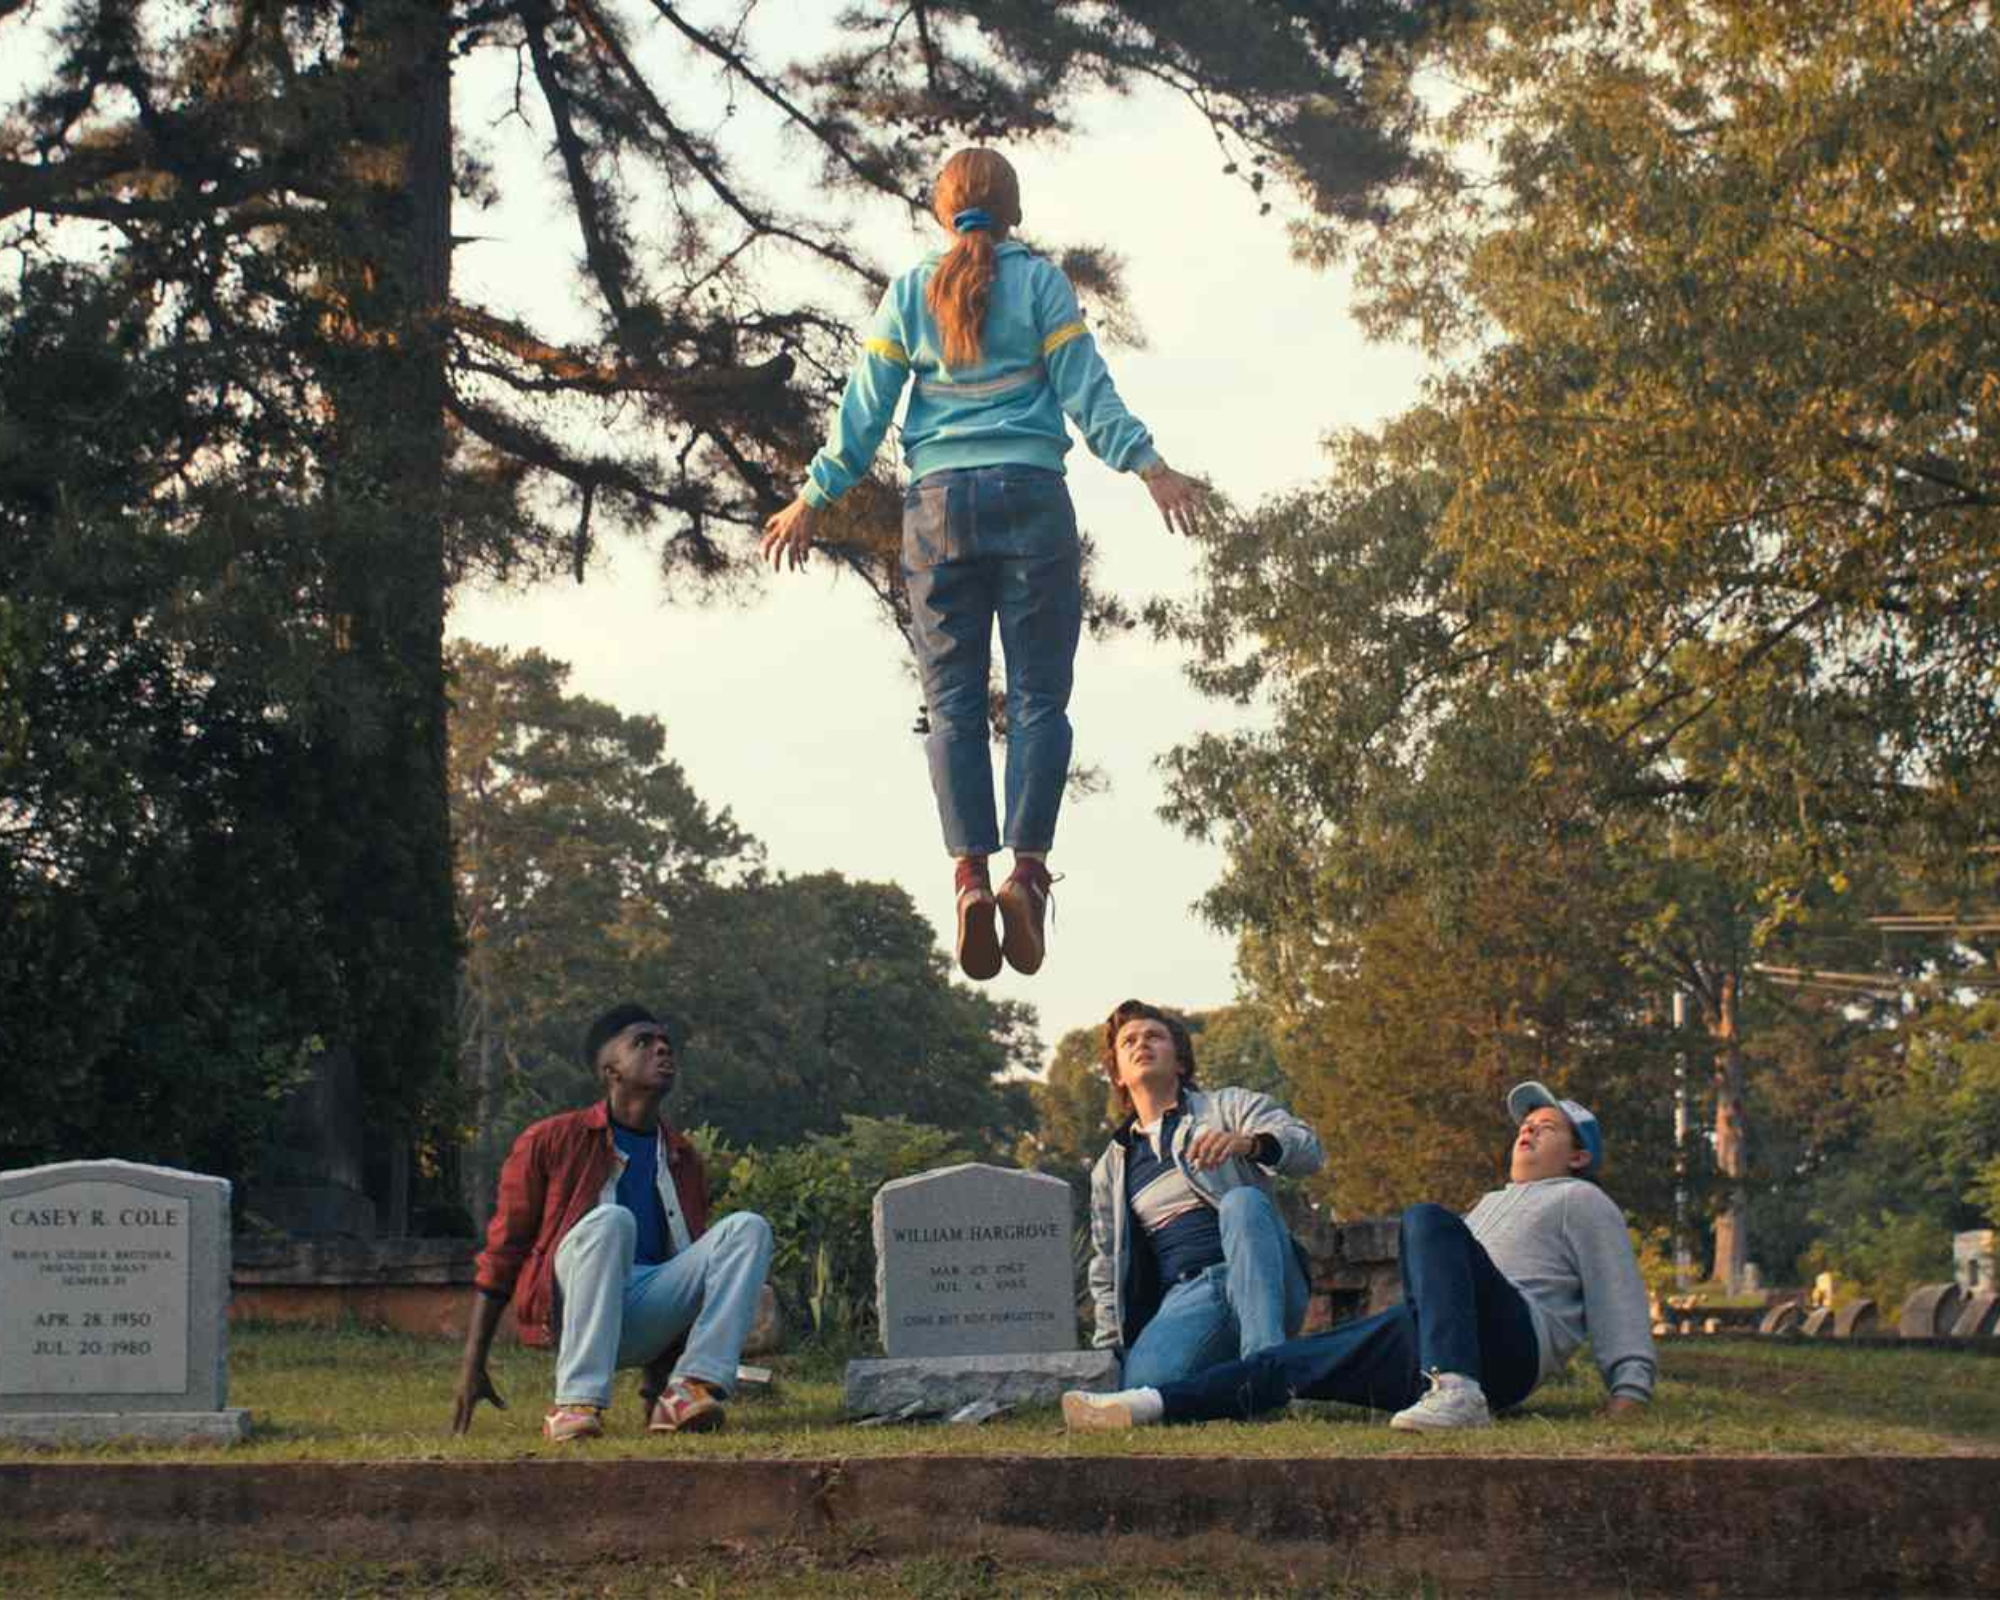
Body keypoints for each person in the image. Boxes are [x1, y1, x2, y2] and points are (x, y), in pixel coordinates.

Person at [760, 147, 1208, 982]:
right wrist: (1150, 467)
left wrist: (812, 498)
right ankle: (1026, 876)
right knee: (1039, 699)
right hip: (1031, 498)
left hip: (938, 512)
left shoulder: (910, 292)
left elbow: (864, 414)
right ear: (1015, 212)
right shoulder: (1040, 285)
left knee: (952, 706)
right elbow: (1087, 390)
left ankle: (969, 878)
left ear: (942, 212)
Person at [1064, 1081, 1657, 1433]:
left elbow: (1618, 1293)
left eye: (1546, 1126)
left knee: (1426, 1219)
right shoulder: (1489, 1204)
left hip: (1510, 1348)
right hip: (1432, 1342)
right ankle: (1145, 1405)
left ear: (1579, 1156)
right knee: (1284, 1364)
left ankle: (1457, 1390)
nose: (1527, 1130)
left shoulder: (1582, 1200)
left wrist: (1628, 1392)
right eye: (1525, 1123)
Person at [450, 1003, 774, 1443]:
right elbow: (504, 1252)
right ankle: (575, 1404)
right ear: (611, 1070)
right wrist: (473, 1364)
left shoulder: (682, 1157)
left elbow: (681, 1263)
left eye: (666, 1043)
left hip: (645, 1314)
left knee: (748, 1228)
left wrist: (654, 1388)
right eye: (643, 1042)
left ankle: (688, 1390)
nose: (662, 1049)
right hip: (574, 1309)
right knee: (612, 1221)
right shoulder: (551, 1139)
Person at [1086, 999, 1324, 1389]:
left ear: (1180, 1062)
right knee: (1144, 1385)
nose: (1141, 1044)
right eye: (1128, 1041)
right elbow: (1106, 1267)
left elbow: (1309, 1150)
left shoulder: (1227, 1107)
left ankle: (1267, 1372)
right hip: (1188, 1296)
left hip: (1262, 1273)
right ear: (1118, 1075)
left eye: (1154, 1036)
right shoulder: (1111, 1169)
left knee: (1242, 1202)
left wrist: (1249, 1144)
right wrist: (1109, 1354)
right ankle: (1235, 1382)